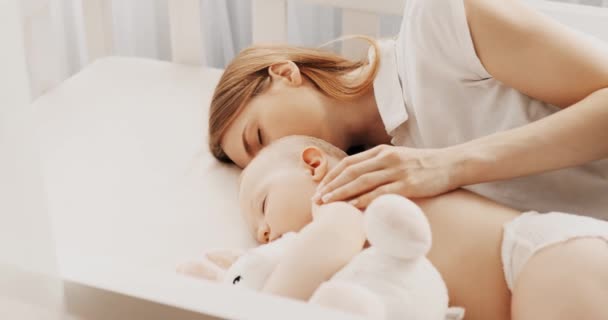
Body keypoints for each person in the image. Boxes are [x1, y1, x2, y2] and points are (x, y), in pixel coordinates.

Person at [208, 0, 608, 219]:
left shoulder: (439, 25)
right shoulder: (379, 199)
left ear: (283, 74)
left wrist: (447, 165)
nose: (272, 160)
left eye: (258, 138)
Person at [233, 135, 608, 320]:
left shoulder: (339, 200)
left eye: (263, 206)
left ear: (313, 166)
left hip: (544, 258)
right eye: (257, 230)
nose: (264, 232)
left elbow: (328, 243)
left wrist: (257, 306)